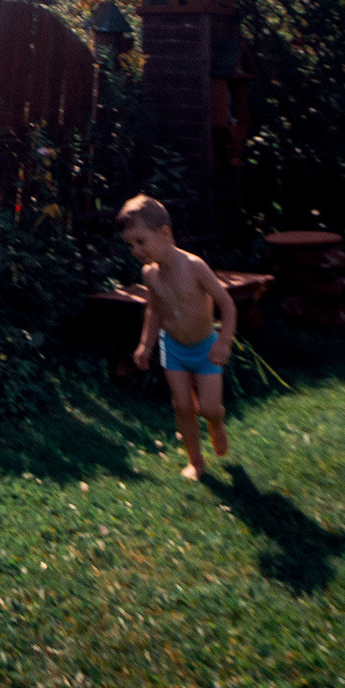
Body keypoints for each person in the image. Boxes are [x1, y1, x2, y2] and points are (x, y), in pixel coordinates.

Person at [118, 194, 237, 480]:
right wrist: (146, 344)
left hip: (206, 348)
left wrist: (224, 342)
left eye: (140, 241)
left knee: (208, 408)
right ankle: (196, 462)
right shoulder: (150, 275)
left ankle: (216, 422)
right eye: (130, 245)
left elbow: (227, 305)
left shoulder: (194, 266)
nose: (135, 250)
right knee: (182, 406)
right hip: (173, 348)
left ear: (164, 233)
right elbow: (154, 310)